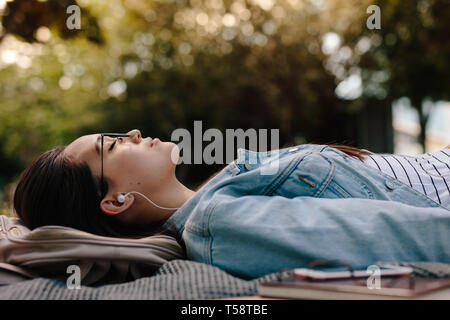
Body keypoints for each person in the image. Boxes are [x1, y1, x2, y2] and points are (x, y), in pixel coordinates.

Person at [12, 129, 450, 279]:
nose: (131, 134)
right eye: (110, 147)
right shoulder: (218, 223)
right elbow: (401, 235)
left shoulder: (221, 195)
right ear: (116, 200)